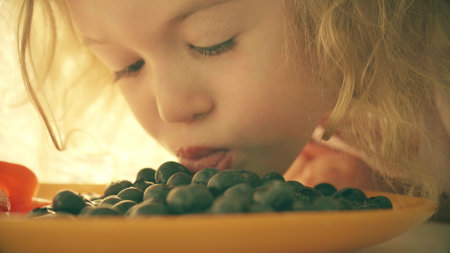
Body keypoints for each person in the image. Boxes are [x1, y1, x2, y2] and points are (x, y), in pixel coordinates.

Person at [13, 0, 449, 218]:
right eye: (127, 66)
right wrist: (359, 172)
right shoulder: (311, 112)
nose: (170, 107)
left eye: (211, 42)